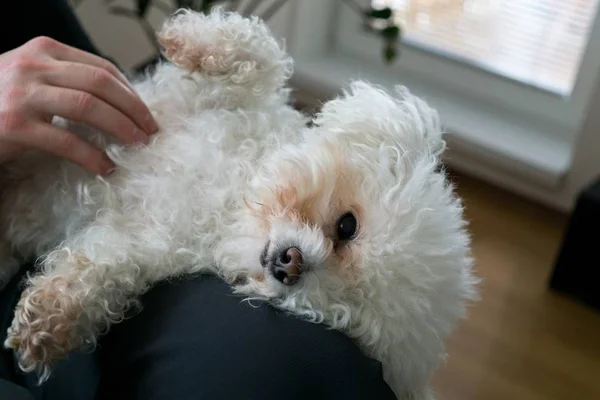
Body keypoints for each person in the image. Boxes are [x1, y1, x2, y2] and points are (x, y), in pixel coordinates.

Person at [0, 1, 397, 399]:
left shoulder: (223, 242)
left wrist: (76, 291)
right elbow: (249, 68)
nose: (298, 263)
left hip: (66, 150)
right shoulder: (275, 129)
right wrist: (230, 50)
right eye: (344, 228)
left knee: (316, 367)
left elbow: (135, 249)